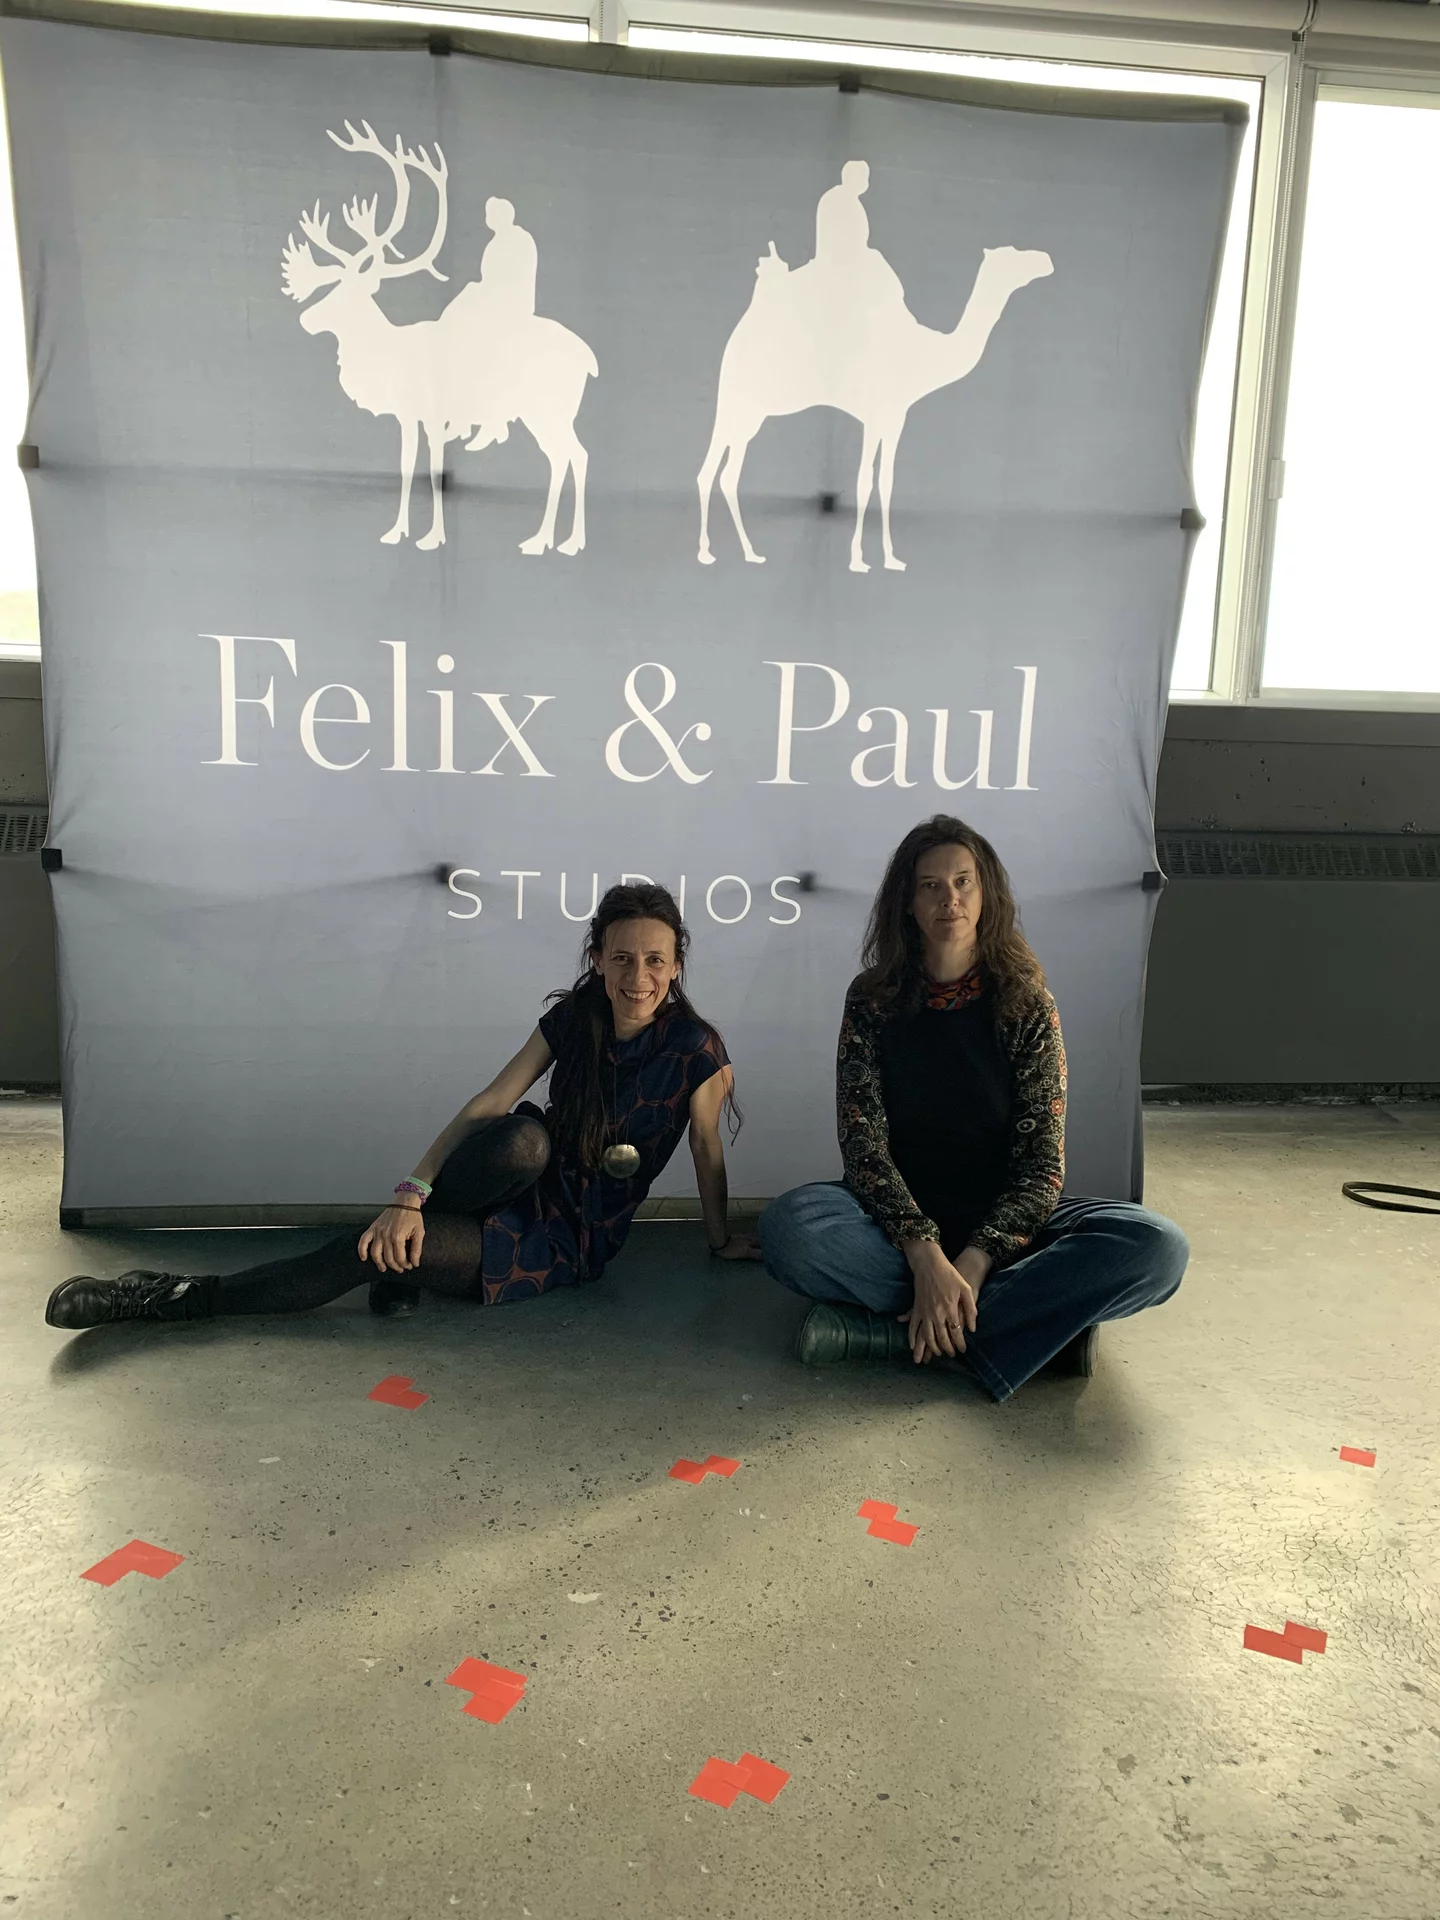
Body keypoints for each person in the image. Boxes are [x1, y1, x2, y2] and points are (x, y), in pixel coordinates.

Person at [46, 884, 760, 1332]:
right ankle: (400, 1241)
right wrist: (409, 1195)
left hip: (567, 1235)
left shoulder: (697, 1050)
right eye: (623, 958)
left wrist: (719, 1238)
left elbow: (706, 1151)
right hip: (515, 1175)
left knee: (363, 1256)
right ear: (598, 959)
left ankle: (172, 1296)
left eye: (656, 960)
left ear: (677, 965)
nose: (639, 976)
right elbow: (491, 1103)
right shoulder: (576, 1017)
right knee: (522, 1141)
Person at [757, 817, 1187, 1401]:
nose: (950, 899)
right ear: (907, 903)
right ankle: (1030, 1330)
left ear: (987, 896)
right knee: (790, 1229)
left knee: (1157, 1246)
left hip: (1007, 1232)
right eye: (930, 886)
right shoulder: (872, 1000)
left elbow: (1042, 1168)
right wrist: (924, 1254)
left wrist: (974, 1262)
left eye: (963, 882)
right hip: (897, 1223)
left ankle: (897, 1334)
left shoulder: (1027, 1003)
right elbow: (863, 1148)